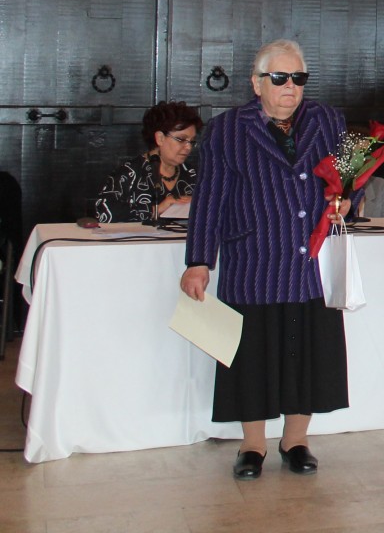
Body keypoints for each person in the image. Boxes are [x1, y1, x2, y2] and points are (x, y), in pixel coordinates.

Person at [180, 40, 349, 481]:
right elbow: (209, 199)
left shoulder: (328, 120)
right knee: (250, 359)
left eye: (298, 78)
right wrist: (199, 261)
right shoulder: (226, 129)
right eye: (279, 77)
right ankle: (252, 445)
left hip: (309, 263)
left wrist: (347, 199)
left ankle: (296, 441)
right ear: (257, 84)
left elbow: (349, 176)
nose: (290, 86)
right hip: (252, 262)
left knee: (305, 354)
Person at [96, 101, 202, 223]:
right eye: (181, 139)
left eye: (191, 141)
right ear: (160, 138)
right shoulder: (130, 174)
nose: (188, 147)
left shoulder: (193, 175)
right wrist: (157, 209)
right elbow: (104, 212)